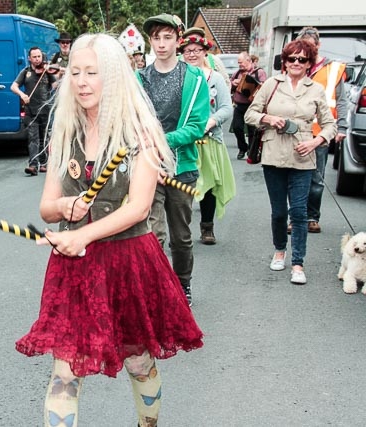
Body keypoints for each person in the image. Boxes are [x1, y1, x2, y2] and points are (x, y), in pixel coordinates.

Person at [15, 33, 203, 427]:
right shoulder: (65, 132)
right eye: (76, 72)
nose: (81, 81)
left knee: (138, 361)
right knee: (64, 373)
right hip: (75, 269)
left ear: (114, 77)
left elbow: (137, 208)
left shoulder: (142, 134)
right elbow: (47, 208)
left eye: (92, 73)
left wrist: (82, 234)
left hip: (127, 262)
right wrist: (66, 206)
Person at [244, 39, 336, 285]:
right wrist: (269, 118)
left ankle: (298, 263)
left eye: (302, 59)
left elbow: (330, 125)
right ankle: (279, 251)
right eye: (292, 59)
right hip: (274, 156)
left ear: (309, 64)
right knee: (279, 212)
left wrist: (315, 143)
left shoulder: (315, 90)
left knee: (299, 212)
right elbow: (250, 114)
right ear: (284, 62)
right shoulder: (271, 84)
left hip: (303, 157)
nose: (296, 63)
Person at [139, 13, 210, 305]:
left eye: (167, 37)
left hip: (182, 167)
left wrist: (162, 141)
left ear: (178, 39)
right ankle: (155, 288)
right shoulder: (139, 77)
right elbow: (132, 118)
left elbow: (196, 126)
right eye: (156, 37)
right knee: (152, 235)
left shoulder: (194, 78)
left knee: (181, 237)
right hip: (147, 166)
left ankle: (183, 284)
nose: (161, 43)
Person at [178, 32, 235, 245]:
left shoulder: (216, 78)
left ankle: (207, 227)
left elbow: (226, 108)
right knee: (181, 186)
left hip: (208, 139)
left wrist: (210, 123)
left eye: (197, 50)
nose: (192, 54)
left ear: (204, 52)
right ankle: (181, 230)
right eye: (187, 50)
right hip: (183, 140)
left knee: (209, 185)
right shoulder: (179, 77)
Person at [292, 26, 348, 234]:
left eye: (311, 46)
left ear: (318, 45)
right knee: (295, 175)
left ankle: (312, 216)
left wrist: (341, 127)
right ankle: (295, 216)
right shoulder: (295, 65)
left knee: (316, 178)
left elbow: (341, 101)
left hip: (321, 132)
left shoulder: (333, 69)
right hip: (295, 131)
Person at [11, 47, 57, 175]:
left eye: (39, 57)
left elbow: (55, 86)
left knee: (44, 139)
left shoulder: (47, 72)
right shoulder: (25, 72)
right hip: (31, 111)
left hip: (45, 110)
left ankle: (43, 163)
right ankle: (33, 165)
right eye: (34, 57)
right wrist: (22, 94)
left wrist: (58, 75)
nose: (37, 59)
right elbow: (13, 86)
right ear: (29, 58)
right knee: (33, 138)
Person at [231, 51, 267, 160]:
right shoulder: (237, 73)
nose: (240, 65)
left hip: (252, 106)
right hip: (239, 105)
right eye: (238, 63)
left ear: (249, 61)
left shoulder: (259, 72)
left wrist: (254, 84)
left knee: (252, 130)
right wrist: (233, 83)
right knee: (237, 128)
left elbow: (263, 87)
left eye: (241, 62)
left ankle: (251, 151)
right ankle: (243, 147)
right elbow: (230, 84)